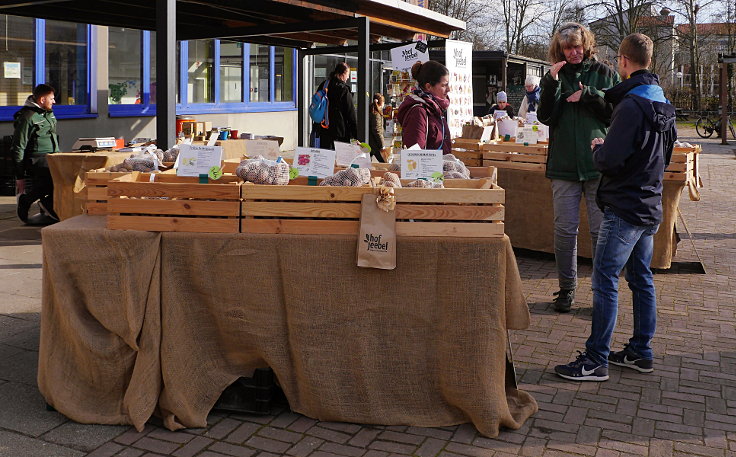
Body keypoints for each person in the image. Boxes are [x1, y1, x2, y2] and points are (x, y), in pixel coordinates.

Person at [554, 33, 676, 381]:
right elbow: (662, 156)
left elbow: (610, 159)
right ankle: (640, 352)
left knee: (605, 278)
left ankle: (595, 360)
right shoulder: (662, 101)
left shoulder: (631, 105)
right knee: (641, 278)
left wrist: (598, 148)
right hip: (649, 203)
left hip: (625, 206)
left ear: (623, 61)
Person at [537, 22, 620, 313]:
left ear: (586, 45)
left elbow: (614, 116)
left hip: (597, 165)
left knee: (601, 232)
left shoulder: (605, 73)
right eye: (567, 48)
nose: (573, 52)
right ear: (558, 49)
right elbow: (545, 117)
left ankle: (602, 293)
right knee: (564, 230)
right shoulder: (554, 74)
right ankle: (566, 289)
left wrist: (589, 95)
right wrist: (551, 84)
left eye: (577, 46)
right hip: (563, 165)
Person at [12, 83, 60, 225]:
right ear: (42, 100)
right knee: (51, 181)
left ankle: (48, 209)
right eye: (51, 98)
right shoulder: (27, 117)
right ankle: (27, 201)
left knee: (64, 178)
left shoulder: (47, 113)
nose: (54, 101)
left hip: (53, 156)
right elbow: (18, 146)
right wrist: (19, 175)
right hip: (37, 159)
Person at [397, 60, 451, 154]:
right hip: (429, 168)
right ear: (429, 86)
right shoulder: (418, 112)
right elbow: (414, 155)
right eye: (444, 85)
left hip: (440, 167)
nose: (449, 89)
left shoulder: (435, 109)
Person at [314, 62, 357, 150]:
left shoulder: (324, 85)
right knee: (340, 159)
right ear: (343, 74)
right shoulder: (343, 89)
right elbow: (350, 113)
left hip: (324, 129)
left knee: (326, 157)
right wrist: (356, 134)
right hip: (340, 132)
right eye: (347, 74)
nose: (348, 77)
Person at [369, 93, 386, 163]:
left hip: (370, 142)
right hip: (375, 144)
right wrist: (382, 145)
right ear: (381, 102)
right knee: (384, 162)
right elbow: (377, 130)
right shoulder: (376, 114)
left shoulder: (371, 110)